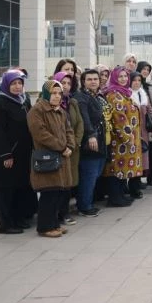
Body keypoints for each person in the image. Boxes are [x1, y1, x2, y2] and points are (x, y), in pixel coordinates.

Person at [0, 70, 36, 234]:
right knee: (5, 189)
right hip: (7, 155)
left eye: (20, 83)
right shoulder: (0, 104)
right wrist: (6, 154)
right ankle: (5, 224)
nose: (17, 86)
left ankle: (17, 218)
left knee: (19, 187)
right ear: (6, 84)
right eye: (13, 83)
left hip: (23, 154)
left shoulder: (23, 101)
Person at [27, 80, 75, 237]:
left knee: (58, 194)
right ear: (47, 93)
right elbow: (41, 134)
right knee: (49, 194)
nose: (57, 96)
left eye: (59, 93)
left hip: (61, 158)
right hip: (47, 157)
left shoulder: (60, 111)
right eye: (53, 93)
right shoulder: (37, 110)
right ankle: (44, 227)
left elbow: (69, 130)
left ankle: (54, 224)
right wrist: (61, 147)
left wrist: (70, 146)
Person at [102, 67, 144, 206]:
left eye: (125, 76)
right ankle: (115, 198)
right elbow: (119, 118)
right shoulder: (113, 94)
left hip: (128, 138)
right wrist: (128, 138)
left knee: (123, 170)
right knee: (116, 169)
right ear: (114, 78)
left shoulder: (124, 92)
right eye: (120, 77)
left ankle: (120, 195)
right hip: (120, 140)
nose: (123, 79)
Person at [73, 68, 107, 217]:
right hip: (90, 142)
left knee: (96, 172)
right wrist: (91, 135)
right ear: (83, 82)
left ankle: (87, 202)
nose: (93, 82)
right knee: (89, 174)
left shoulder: (95, 96)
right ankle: (84, 206)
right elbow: (84, 118)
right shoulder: (81, 97)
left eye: (95, 79)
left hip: (100, 141)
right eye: (89, 79)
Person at [52, 71, 83, 226]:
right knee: (57, 182)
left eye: (68, 83)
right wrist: (62, 146)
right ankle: (55, 214)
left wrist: (74, 144)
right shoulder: (48, 103)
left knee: (68, 182)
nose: (65, 86)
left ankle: (64, 213)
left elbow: (79, 125)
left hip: (72, 149)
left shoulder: (72, 102)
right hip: (56, 150)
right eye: (62, 83)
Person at [129, 72, 151, 189]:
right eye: (134, 80)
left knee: (142, 156)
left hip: (143, 130)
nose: (137, 83)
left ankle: (138, 181)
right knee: (133, 156)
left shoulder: (143, 93)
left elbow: (149, 110)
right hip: (132, 131)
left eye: (139, 80)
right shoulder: (127, 95)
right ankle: (133, 184)